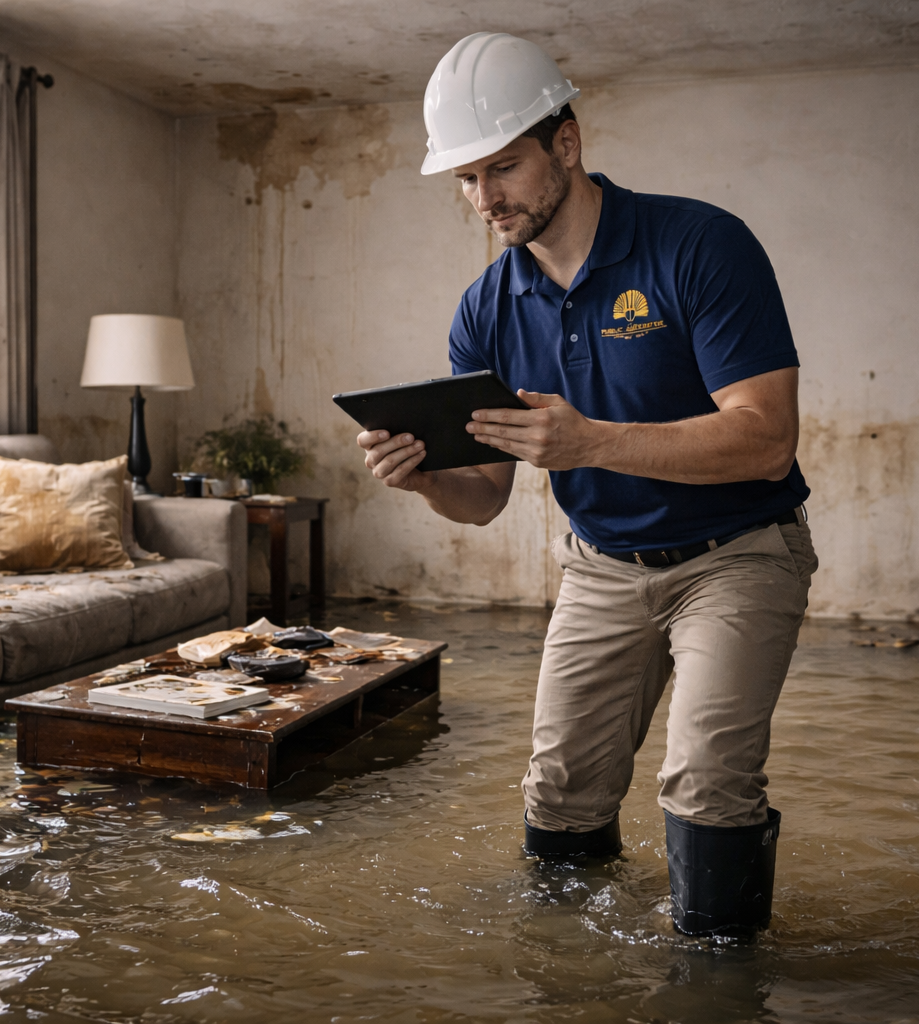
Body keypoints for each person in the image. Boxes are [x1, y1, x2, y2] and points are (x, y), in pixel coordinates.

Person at [357, 32, 818, 942]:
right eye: (465, 178)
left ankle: (720, 983)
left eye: (503, 167)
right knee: (561, 793)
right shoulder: (486, 309)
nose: (484, 198)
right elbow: (484, 496)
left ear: (565, 143)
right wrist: (424, 479)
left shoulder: (700, 244)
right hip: (602, 565)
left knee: (706, 780)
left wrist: (590, 440)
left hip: (738, 554)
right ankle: (571, 975)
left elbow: (768, 442)